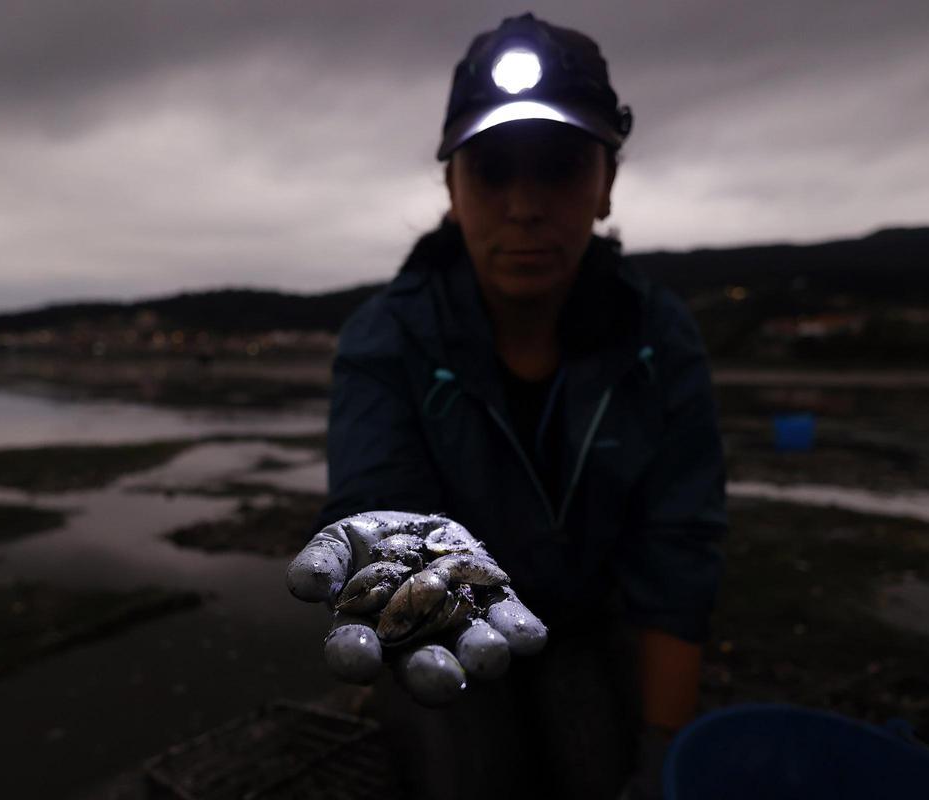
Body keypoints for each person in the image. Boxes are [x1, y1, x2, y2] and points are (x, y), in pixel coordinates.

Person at [304, 12, 728, 799]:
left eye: (560, 166)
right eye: (493, 170)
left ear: (606, 182)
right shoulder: (385, 338)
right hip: (445, 616)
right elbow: (376, 500)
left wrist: (663, 747)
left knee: (601, 761)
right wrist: (396, 571)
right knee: (463, 763)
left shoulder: (658, 338)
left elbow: (679, 552)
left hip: (583, 621)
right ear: (452, 190)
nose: (525, 206)